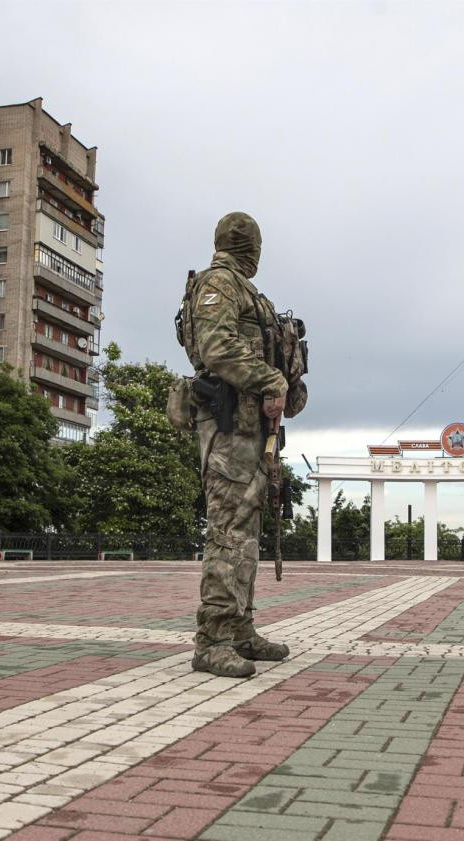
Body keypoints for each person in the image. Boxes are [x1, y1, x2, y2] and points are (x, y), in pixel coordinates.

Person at [175, 212, 306, 678]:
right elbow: (215, 347)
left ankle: (240, 630)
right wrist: (271, 378)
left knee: (244, 535)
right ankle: (211, 641)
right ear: (253, 247)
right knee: (228, 533)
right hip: (229, 428)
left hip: (252, 431)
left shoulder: (250, 293)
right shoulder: (220, 283)